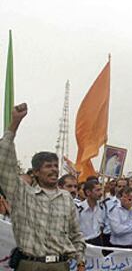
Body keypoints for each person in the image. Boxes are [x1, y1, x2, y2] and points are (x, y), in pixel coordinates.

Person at [0, 103, 85, 271]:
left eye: (55, 166)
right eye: (48, 166)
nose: (54, 170)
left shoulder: (67, 198)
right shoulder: (22, 194)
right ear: (36, 172)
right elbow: (3, 162)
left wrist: (80, 261)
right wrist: (14, 124)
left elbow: (76, 233)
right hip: (30, 265)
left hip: (61, 265)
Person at [77, 179, 104, 246]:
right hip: (83, 243)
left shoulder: (102, 207)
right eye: (97, 190)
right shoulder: (79, 209)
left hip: (98, 241)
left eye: (100, 190)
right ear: (88, 192)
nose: (101, 193)